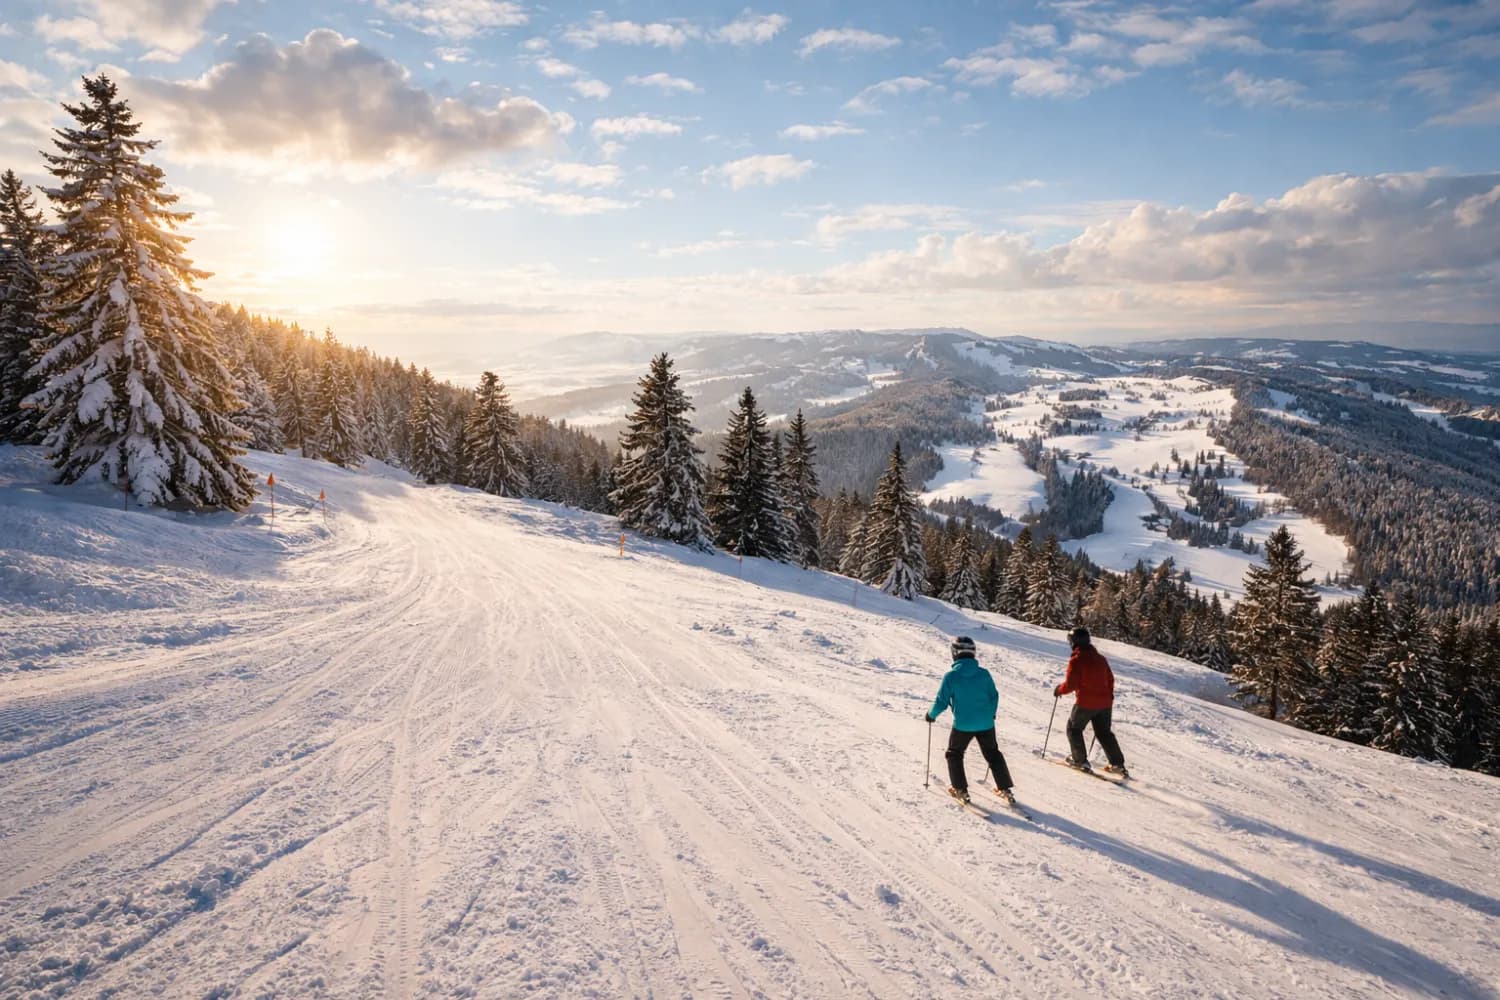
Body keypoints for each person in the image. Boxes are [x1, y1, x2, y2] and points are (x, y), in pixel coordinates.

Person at [925, 635, 1016, 805]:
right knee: (993, 754)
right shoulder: (984, 674)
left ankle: (960, 789)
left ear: (954, 653)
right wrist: (992, 714)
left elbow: (941, 702)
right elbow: (994, 696)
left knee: (954, 754)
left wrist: (931, 715)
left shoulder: (951, 676)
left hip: (963, 725)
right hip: (986, 723)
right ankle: (1005, 788)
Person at [1053, 627, 1128, 776]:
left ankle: (1079, 760)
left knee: (1074, 729)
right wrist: (1109, 696)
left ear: (1074, 643)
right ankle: (1117, 764)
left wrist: (1059, 690)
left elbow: (1071, 684)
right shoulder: (1100, 658)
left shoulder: (1077, 660)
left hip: (1086, 703)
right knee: (1104, 732)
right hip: (1105, 703)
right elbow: (1110, 679)